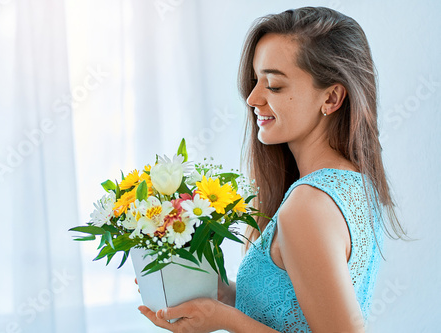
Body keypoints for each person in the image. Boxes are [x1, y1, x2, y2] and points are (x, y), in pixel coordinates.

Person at [138, 6, 407, 333]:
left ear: (332, 97)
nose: (252, 98)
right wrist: (225, 295)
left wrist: (225, 319)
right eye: (255, 81)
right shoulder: (356, 185)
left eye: (274, 85)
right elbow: (300, 314)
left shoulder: (307, 206)